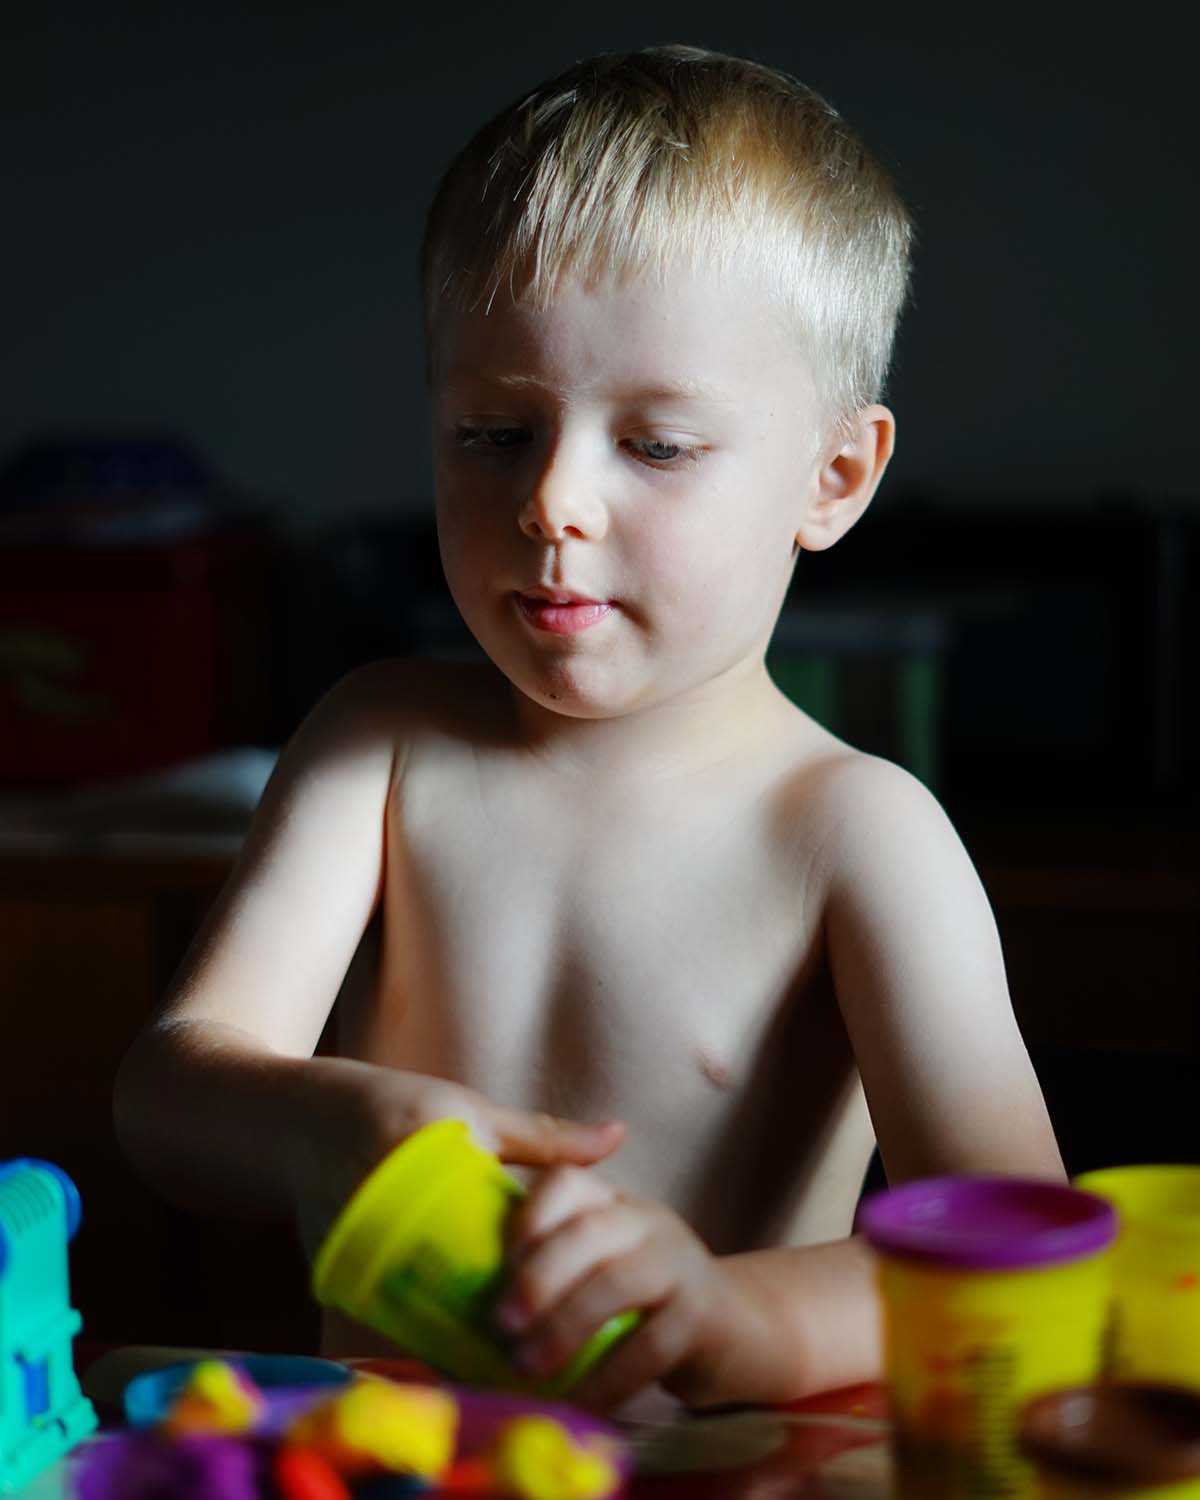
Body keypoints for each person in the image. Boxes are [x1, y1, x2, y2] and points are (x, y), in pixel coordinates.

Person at [114, 43, 1064, 1414]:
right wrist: (332, 1123)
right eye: (493, 434)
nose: (552, 501)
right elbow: (168, 1097)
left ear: (834, 476)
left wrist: (733, 1312)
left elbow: (1015, 1256)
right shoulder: (380, 745)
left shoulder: (857, 836)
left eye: (658, 445)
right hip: (400, 1467)